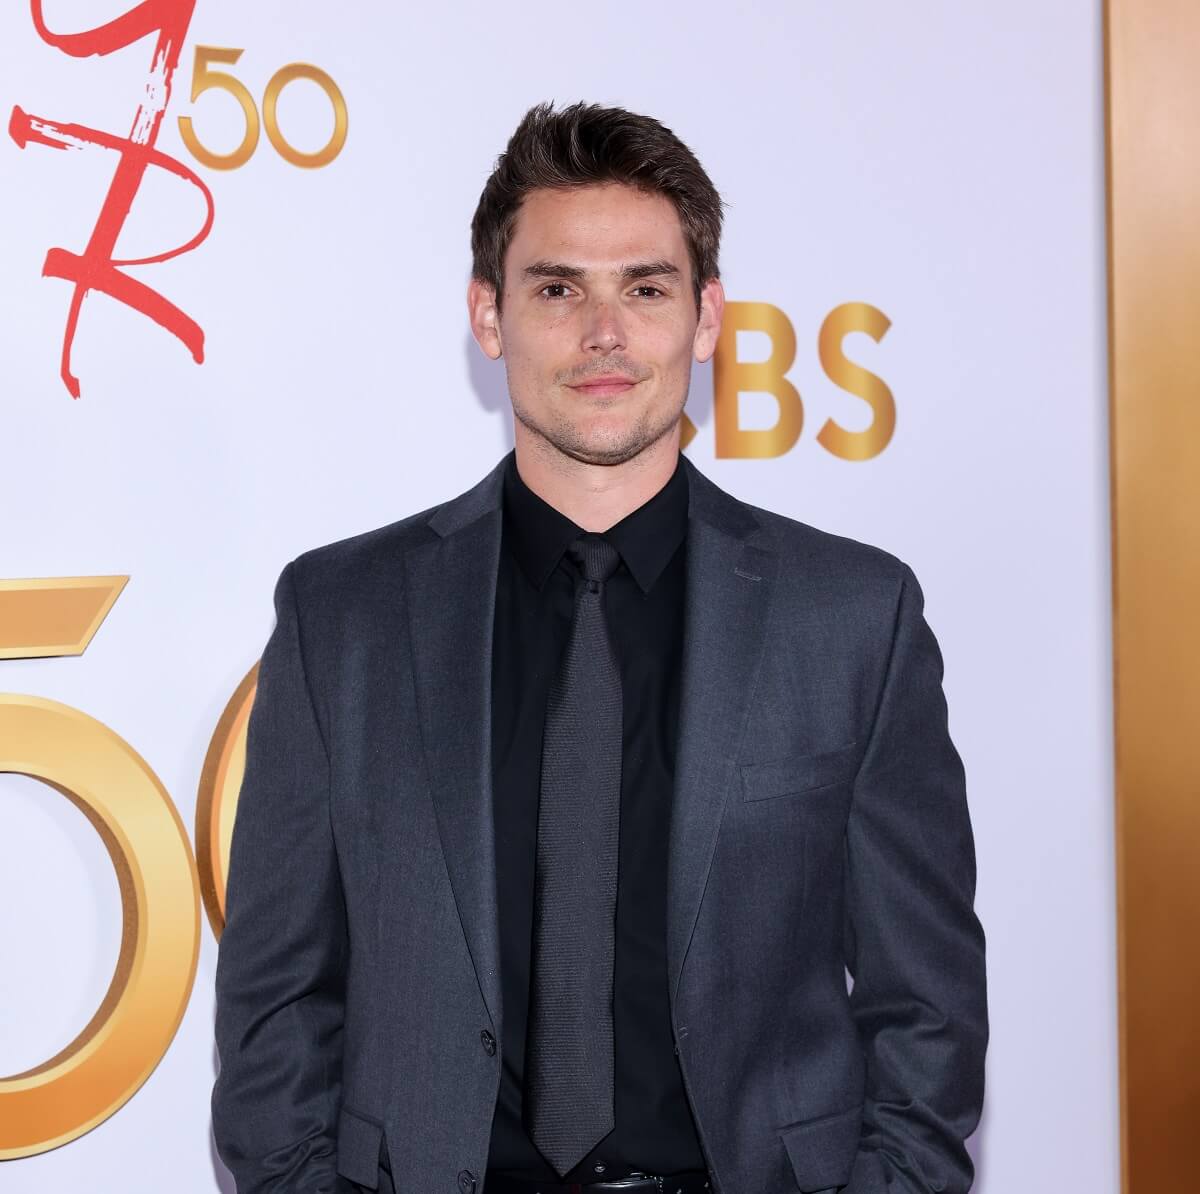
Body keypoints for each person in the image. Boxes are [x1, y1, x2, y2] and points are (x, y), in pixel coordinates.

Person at [212, 101, 987, 1194]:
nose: (605, 335)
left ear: (708, 318)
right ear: (489, 314)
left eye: (648, 288)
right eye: (559, 288)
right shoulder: (344, 617)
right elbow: (276, 1001)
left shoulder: (854, 618)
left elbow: (929, 1006)